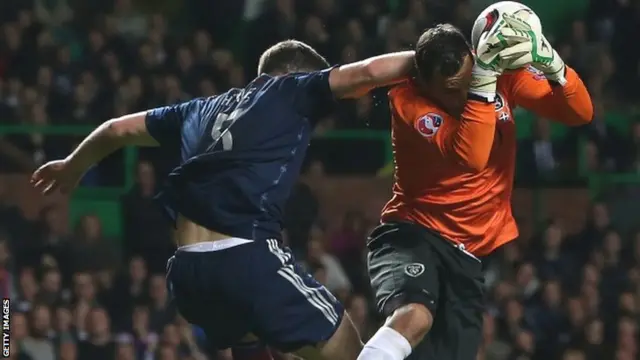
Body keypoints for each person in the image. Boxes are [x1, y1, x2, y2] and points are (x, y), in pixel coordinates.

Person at [30, 40, 415, 360]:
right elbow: (367, 73)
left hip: (187, 273)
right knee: (349, 350)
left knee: (249, 343)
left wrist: (72, 165)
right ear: (295, 74)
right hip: (244, 257)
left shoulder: (195, 110)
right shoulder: (291, 90)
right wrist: (433, 55)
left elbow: (116, 129)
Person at [358, 11, 593, 360]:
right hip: (413, 235)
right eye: (453, 90)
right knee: (414, 315)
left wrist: (554, 66)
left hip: (467, 256)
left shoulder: (497, 77)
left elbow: (580, 113)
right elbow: (473, 155)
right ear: (424, 82)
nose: (462, 95)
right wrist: (482, 84)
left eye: (468, 82)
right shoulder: (408, 101)